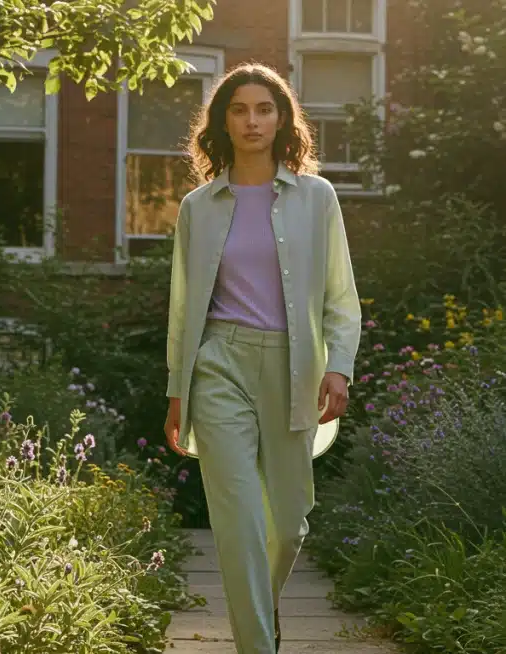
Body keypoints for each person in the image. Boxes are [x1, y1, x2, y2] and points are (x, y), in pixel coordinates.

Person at [162, 62, 362, 653]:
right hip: (219, 363)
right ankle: (258, 644)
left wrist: (340, 365)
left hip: (294, 368)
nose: (252, 121)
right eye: (239, 110)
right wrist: (178, 389)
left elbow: (341, 297)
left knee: (289, 523)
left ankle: (258, 606)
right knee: (240, 519)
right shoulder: (198, 206)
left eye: (264, 109)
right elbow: (181, 309)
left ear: (282, 119)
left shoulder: (317, 198)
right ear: (222, 121)